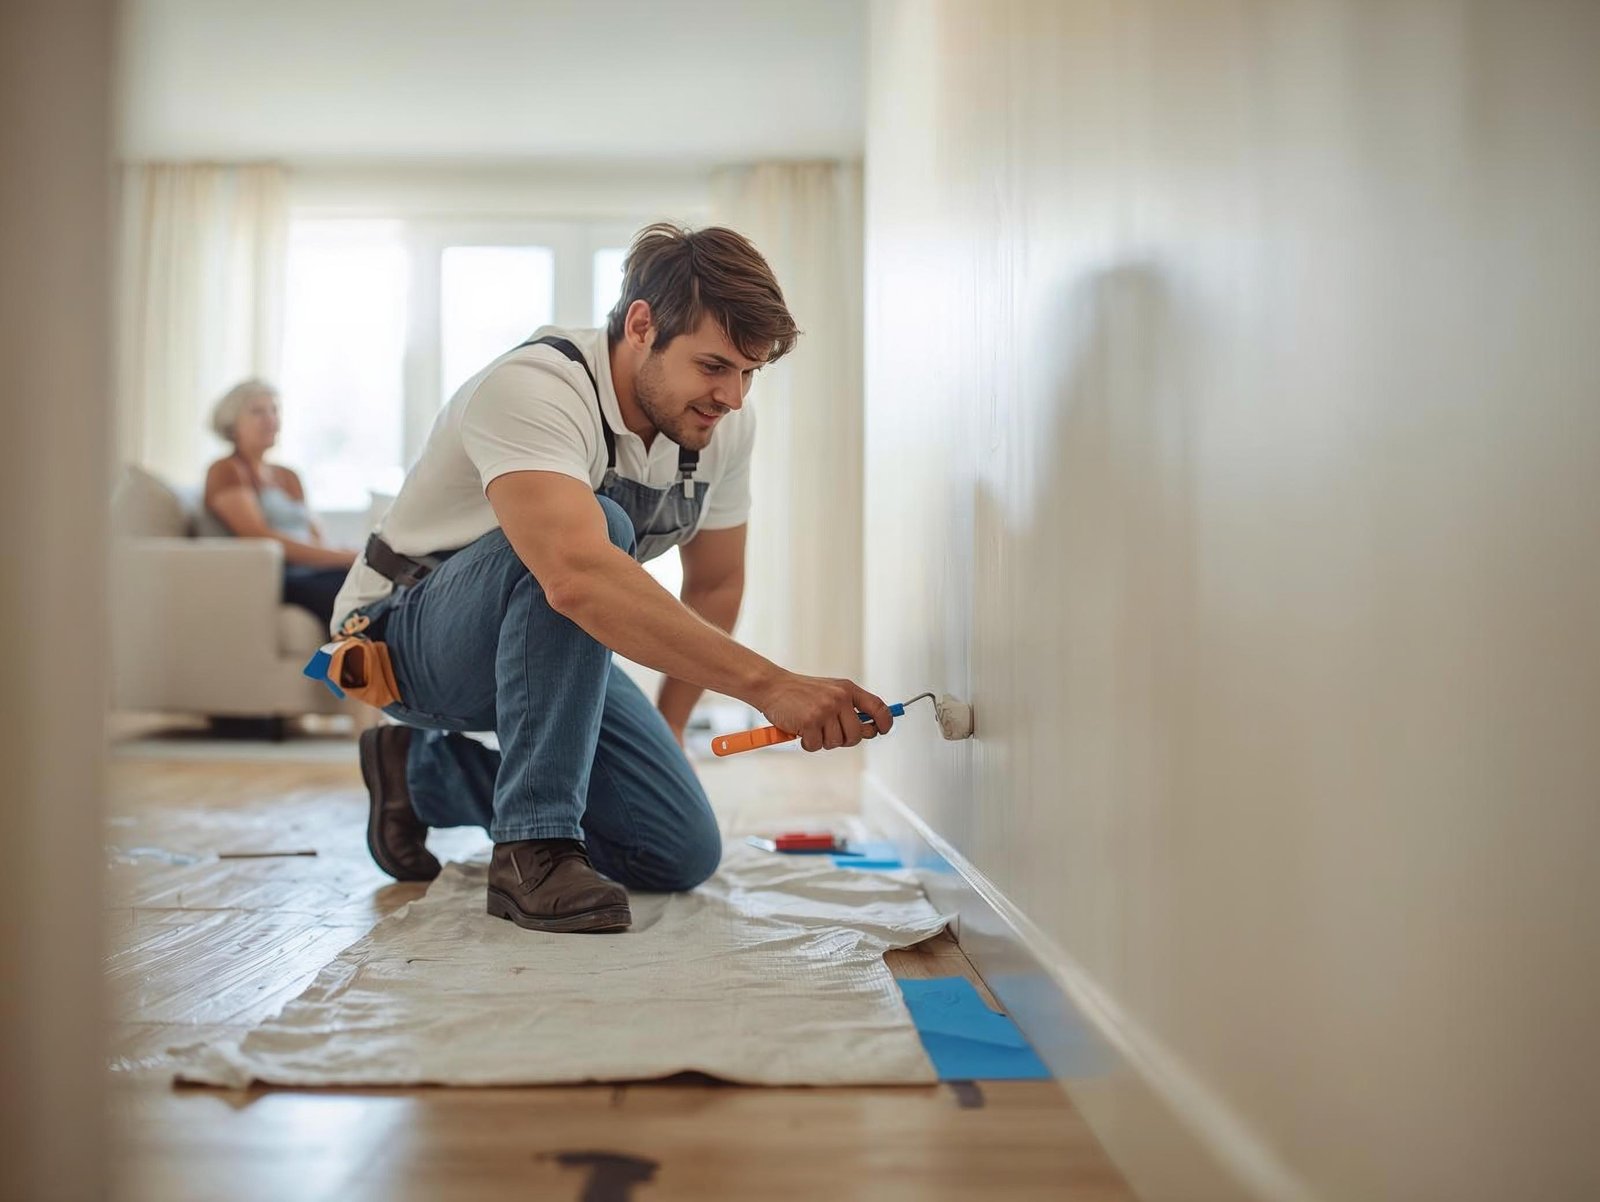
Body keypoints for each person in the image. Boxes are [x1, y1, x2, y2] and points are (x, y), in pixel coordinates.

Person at [332, 222, 895, 935]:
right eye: (715, 365)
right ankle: (533, 846)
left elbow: (716, 585)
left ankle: (420, 775)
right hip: (403, 641)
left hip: (543, 643)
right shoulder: (534, 387)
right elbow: (573, 576)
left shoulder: (719, 429)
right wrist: (771, 685)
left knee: (675, 848)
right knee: (597, 533)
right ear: (641, 325)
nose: (734, 397)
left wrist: (670, 731)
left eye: (750, 373)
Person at [204, 380, 357, 629]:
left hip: (312, 567)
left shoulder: (288, 475)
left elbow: (314, 535)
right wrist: (341, 558)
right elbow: (257, 536)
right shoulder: (226, 470)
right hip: (279, 574)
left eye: (274, 410)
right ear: (232, 425)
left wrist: (345, 555)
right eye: (257, 411)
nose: (270, 419)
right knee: (346, 586)